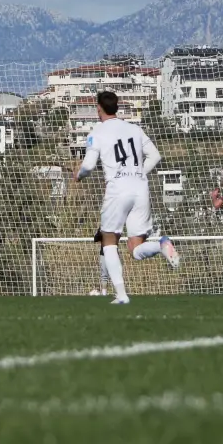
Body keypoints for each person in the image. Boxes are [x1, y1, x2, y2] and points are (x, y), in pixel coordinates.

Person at [75, 89, 179, 305]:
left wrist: (79, 176)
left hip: (118, 190)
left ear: (98, 109)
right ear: (118, 107)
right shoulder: (134, 128)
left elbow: (88, 165)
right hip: (141, 189)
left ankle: (121, 295)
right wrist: (139, 172)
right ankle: (161, 245)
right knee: (135, 248)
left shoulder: (98, 132)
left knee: (109, 240)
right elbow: (156, 156)